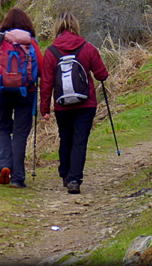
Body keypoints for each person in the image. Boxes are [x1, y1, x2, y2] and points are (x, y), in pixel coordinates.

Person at [40, 12, 109, 195]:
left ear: (57, 28)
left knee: (66, 138)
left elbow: (46, 83)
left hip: (62, 105)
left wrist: (44, 108)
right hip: (86, 104)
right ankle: (74, 179)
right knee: (80, 141)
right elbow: (102, 74)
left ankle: (64, 173)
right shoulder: (87, 48)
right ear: (76, 26)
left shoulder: (51, 52)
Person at [0, 7, 43, 189]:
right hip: (26, 93)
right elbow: (42, 69)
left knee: (3, 128)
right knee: (20, 134)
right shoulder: (31, 43)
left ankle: (4, 165)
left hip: (2, 92)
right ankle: (18, 178)